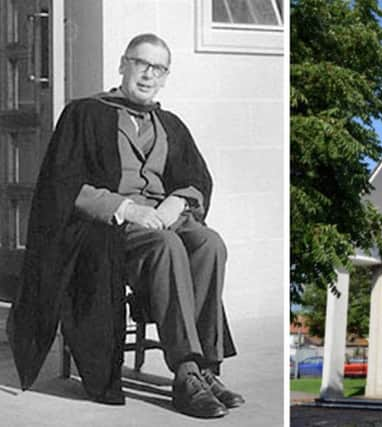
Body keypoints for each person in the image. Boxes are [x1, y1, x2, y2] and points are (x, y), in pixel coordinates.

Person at [7, 33, 244, 419]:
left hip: (164, 218)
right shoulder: (84, 113)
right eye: (141, 64)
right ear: (123, 64)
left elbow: (197, 178)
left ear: (166, 75)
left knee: (209, 243)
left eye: (158, 68)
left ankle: (206, 368)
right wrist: (125, 209)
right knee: (166, 245)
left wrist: (178, 200)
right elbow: (62, 185)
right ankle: (185, 371)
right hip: (110, 228)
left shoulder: (171, 123)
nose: (149, 76)